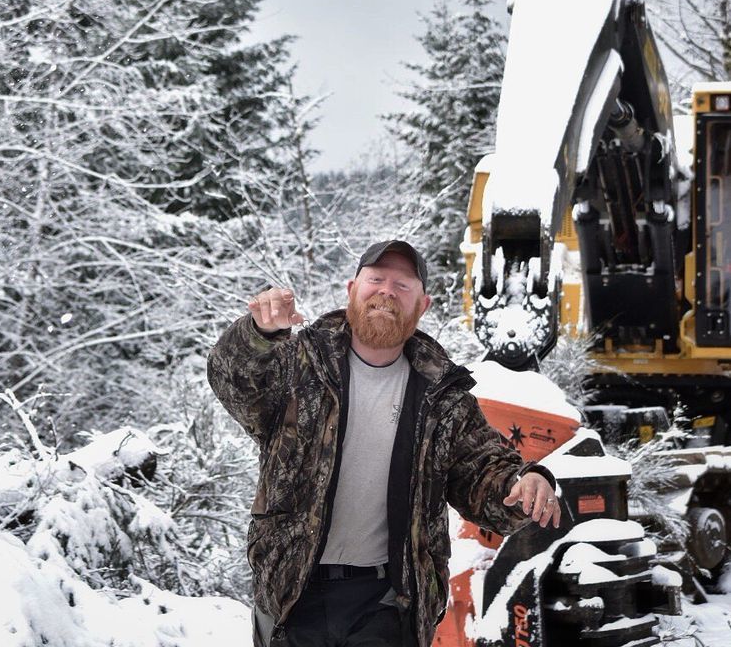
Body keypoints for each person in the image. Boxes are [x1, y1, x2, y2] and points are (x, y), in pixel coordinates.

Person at [207, 239, 561, 647]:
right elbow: (233, 381)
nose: (387, 291)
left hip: (387, 602)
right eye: (376, 279)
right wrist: (257, 334)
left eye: (402, 285)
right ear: (352, 289)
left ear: (422, 305)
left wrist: (523, 480)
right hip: (292, 595)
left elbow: (482, 469)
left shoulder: (442, 394)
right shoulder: (297, 364)